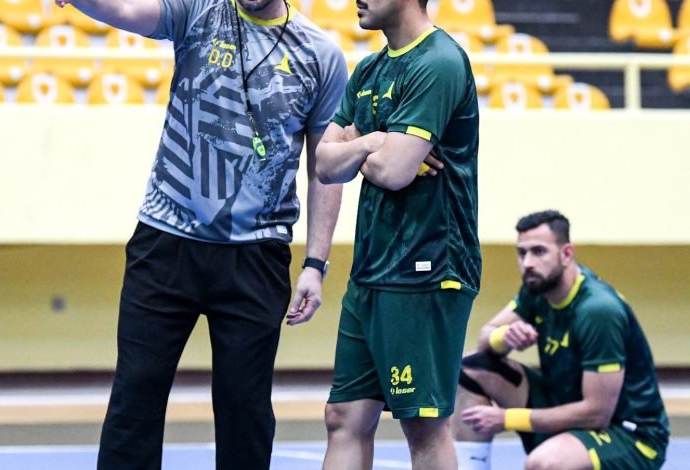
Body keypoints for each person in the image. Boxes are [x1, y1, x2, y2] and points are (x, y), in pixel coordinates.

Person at [53, 0, 348, 468]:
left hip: (257, 253)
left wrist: (315, 263)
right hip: (165, 240)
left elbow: (323, 169)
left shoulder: (320, 56)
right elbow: (126, 10)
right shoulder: (198, 10)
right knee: (135, 398)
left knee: (245, 411)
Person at [314, 0, 481, 467]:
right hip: (371, 269)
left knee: (423, 425)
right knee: (343, 416)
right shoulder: (369, 69)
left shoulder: (439, 62)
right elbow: (324, 165)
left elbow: (394, 171)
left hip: (426, 268)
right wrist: (373, 141)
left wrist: (356, 146)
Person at [452, 210, 670, 470]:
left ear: (566, 254)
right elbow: (485, 339)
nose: (528, 263)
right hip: (565, 403)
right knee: (469, 369)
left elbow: (597, 413)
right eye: (522, 253)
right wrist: (504, 337)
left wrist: (508, 418)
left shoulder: (598, 311)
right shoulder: (538, 289)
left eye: (539, 251)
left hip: (628, 434)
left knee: (545, 463)